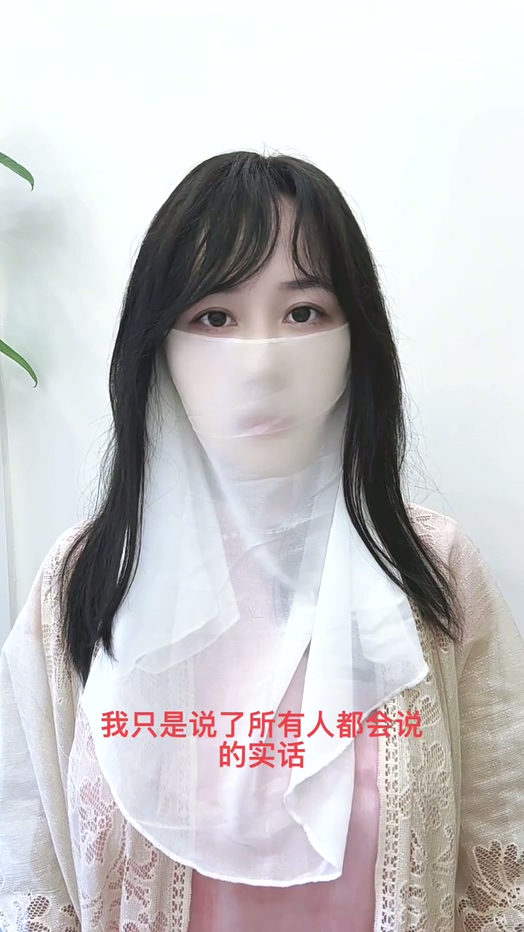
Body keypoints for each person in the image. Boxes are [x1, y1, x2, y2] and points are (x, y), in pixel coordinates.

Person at [0, 150, 523, 931]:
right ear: (158, 345)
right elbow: (26, 877)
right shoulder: (83, 581)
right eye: (215, 316)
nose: (263, 361)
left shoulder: (432, 569)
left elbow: (501, 867)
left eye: (304, 312)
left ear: (356, 338)